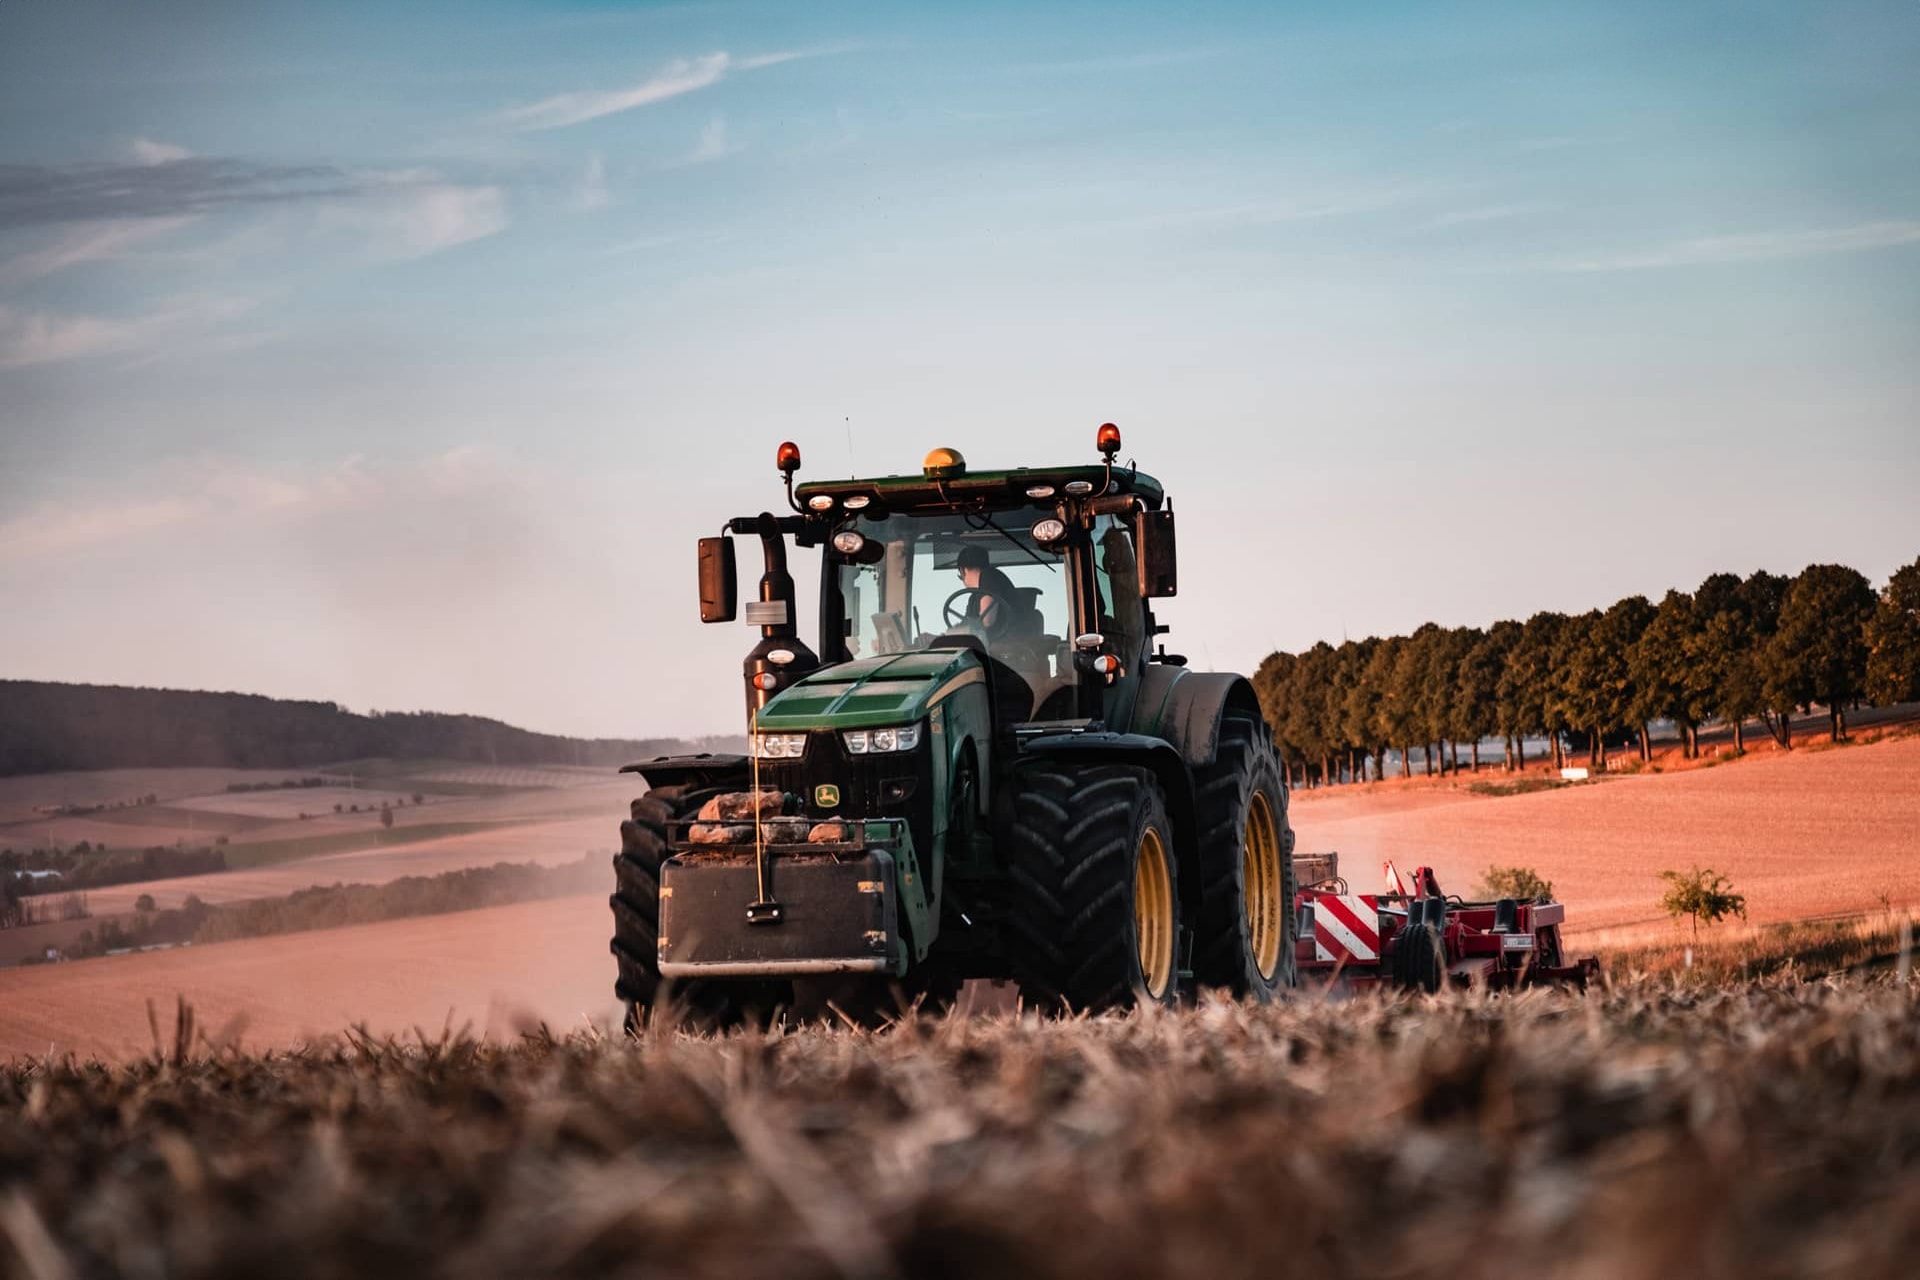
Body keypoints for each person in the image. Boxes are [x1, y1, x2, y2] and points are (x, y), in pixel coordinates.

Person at [956, 545, 1018, 636]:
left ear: (962, 570)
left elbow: (987, 620)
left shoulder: (989, 576)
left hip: (1006, 641)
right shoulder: (974, 598)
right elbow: (967, 624)